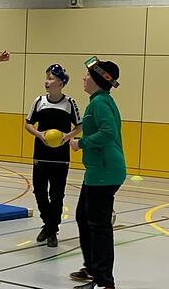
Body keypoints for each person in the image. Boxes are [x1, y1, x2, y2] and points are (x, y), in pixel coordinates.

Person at [69, 57, 125, 289]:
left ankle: (104, 281)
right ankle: (93, 267)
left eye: (87, 75)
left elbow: (107, 133)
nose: (83, 78)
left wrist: (81, 143)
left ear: (97, 80)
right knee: (84, 216)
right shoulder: (99, 101)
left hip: (104, 172)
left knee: (99, 226)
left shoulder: (100, 103)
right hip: (98, 172)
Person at [24, 64, 82, 247]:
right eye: (46, 78)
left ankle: (51, 230)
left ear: (61, 82)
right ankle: (48, 225)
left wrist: (68, 137)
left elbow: (80, 126)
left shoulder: (70, 103)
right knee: (40, 193)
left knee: (57, 195)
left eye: (50, 78)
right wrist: (39, 134)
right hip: (41, 155)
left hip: (60, 158)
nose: (46, 82)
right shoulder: (39, 101)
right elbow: (28, 124)